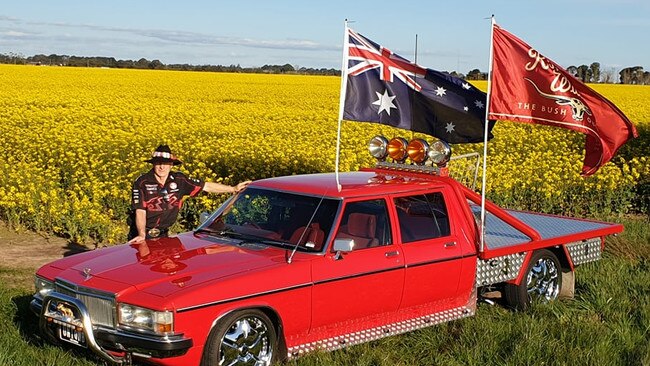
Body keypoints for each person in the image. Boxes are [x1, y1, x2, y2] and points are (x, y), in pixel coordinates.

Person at [127, 145, 250, 243]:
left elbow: (206, 186)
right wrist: (142, 235)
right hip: (142, 233)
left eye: (165, 163)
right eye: (158, 163)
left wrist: (233, 188)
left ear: (171, 165)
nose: (161, 167)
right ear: (153, 164)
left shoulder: (180, 180)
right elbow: (140, 211)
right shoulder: (142, 182)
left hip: (164, 234)